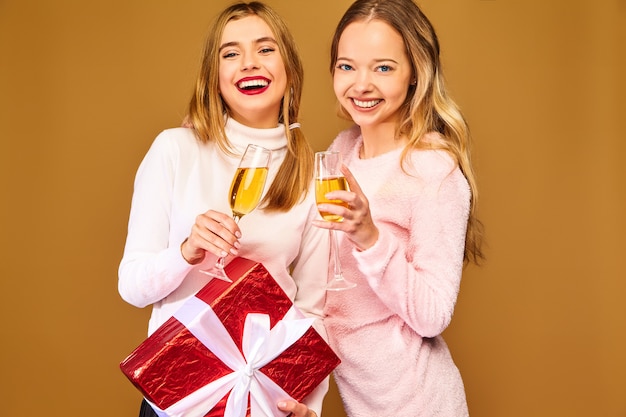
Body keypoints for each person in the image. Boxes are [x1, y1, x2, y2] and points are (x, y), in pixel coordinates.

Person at [118, 3, 329, 417]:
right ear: (214, 76)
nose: (249, 63)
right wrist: (185, 253)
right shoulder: (175, 149)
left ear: (289, 67)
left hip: (264, 403)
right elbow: (131, 285)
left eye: (265, 49)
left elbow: (312, 309)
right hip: (179, 399)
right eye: (230, 53)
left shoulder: (312, 174)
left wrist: (307, 405)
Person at [311, 0, 486, 415]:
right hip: (362, 399)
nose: (361, 84)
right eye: (346, 66)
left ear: (415, 75)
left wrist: (370, 236)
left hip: (418, 403)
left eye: (383, 68)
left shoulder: (433, 171)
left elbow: (433, 315)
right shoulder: (342, 152)